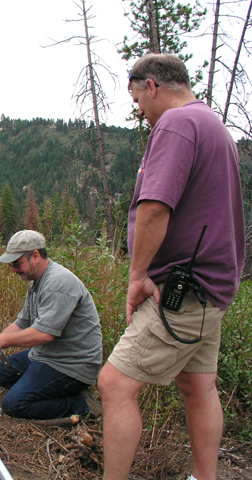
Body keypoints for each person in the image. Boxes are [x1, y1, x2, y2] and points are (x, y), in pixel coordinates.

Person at [97, 54, 245, 480]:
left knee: (115, 384)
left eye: (136, 98)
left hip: (183, 289)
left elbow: (156, 207)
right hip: (213, 286)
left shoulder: (177, 124)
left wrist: (137, 276)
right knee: (198, 386)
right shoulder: (215, 126)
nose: (138, 110)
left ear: (152, 86)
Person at [0, 230, 103, 420]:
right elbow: (23, 322)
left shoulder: (58, 282)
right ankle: (44, 388)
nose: (13, 270)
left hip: (71, 366)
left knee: (14, 405)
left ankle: (82, 405)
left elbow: (44, 334)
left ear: (36, 256)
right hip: (46, 355)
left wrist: (2, 341)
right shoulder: (37, 283)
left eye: (17, 263)